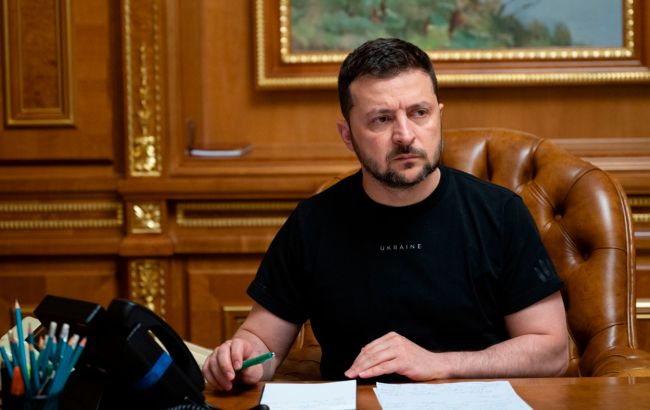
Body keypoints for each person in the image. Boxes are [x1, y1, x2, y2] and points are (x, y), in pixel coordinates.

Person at [202, 38, 568, 391]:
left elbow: (551, 351)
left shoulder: (500, 213)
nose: (405, 135)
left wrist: (440, 364)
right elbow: (262, 343)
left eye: (419, 113)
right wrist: (242, 359)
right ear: (348, 135)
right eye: (381, 119)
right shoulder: (312, 223)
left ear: (439, 116)